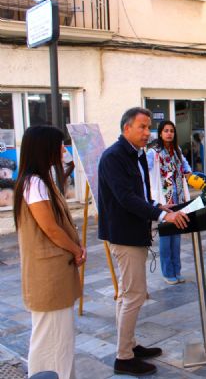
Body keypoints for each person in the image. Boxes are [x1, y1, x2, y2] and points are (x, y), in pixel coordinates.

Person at [98, 107, 189, 376]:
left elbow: (139, 194)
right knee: (134, 296)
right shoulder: (114, 157)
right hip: (124, 235)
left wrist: (158, 204)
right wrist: (162, 214)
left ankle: (129, 344)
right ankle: (124, 358)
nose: (147, 132)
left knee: (128, 295)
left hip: (134, 232)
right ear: (126, 128)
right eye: (142, 126)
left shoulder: (134, 155)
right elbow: (125, 198)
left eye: (149, 126)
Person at [13, 125, 86, 379]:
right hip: (48, 276)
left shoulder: (39, 180)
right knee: (51, 338)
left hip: (52, 273)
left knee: (58, 338)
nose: (63, 149)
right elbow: (51, 229)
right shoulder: (34, 183)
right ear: (45, 148)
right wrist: (76, 249)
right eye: (59, 145)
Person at [147, 120, 192, 285]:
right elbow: (145, 173)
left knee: (177, 238)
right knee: (166, 238)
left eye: (171, 130)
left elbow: (187, 169)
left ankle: (177, 270)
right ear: (160, 133)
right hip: (164, 202)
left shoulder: (177, 151)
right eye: (165, 130)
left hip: (178, 199)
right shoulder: (153, 153)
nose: (169, 133)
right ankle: (167, 272)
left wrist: (191, 176)